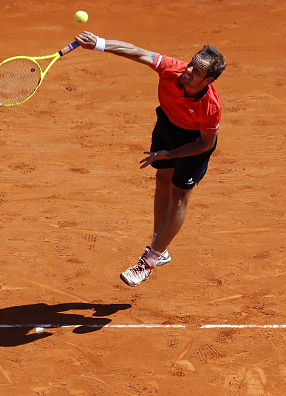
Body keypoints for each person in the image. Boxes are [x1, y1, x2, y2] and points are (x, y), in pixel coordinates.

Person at [74, 31, 226, 287]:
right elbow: (137, 51)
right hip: (168, 125)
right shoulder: (172, 69)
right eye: (190, 63)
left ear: (209, 79)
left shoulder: (211, 107)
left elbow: (206, 143)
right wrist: (99, 44)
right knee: (162, 180)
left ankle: (149, 261)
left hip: (194, 143)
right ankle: (160, 245)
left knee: (179, 194)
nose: (188, 71)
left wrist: (170, 153)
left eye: (197, 71)